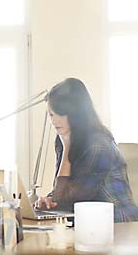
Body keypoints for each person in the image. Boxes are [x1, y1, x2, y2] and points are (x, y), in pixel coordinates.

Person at [36, 78, 138, 222]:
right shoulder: (63, 138)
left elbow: (69, 199)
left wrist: (66, 150)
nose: (54, 121)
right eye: (51, 115)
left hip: (117, 223)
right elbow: (63, 190)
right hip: (90, 222)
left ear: (76, 113)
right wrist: (48, 199)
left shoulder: (98, 145)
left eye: (61, 113)